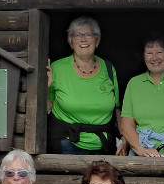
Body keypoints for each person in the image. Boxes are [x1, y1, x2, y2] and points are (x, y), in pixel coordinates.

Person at [47, 16, 119, 154]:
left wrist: (123, 139)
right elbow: (47, 107)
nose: (83, 39)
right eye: (77, 35)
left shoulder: (109, 68)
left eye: (88, 35)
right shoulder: (57, 68)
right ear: (70, 42)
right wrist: (46, 87)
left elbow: (117, 108)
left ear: (97, 41)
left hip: (103, 145)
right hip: (66, 143)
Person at [119, 34, 164, 157]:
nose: (154, 58)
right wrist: (140, 149)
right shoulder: (134, 83)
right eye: (149, 53)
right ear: (143, 56)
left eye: (159, 52)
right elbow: (127, 123)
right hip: (142, 148)